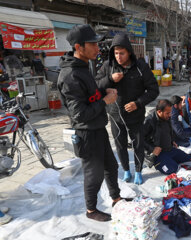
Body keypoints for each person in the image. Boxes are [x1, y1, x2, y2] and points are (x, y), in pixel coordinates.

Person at [58, 24, 124, 222]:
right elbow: (79, 113)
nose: (98, 48)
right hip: (86, 133)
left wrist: (104, 92)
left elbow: (89, 96)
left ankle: (116, 198)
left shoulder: (84, 66)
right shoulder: (70, 75)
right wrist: (105, 101)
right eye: (93, 44)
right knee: (93, 174)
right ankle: (91, 210)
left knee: (111, 166)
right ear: (78, 47)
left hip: (98, 128)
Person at [96, 32, 159, 185]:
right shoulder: (108, 66)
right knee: (120, 145)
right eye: (116, 53)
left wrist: (138, 103)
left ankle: (138, 171)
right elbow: (96, 86)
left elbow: (153, 90)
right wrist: (110, 79)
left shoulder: (140, 67)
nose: (118, 56)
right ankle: (126, 170)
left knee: (138, 144)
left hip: (135, 115)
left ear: (129, 52)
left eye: (122, 53)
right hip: (115, 115)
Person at [143, 99, 191, 174]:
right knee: (173, 169)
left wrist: (172, 141)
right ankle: (161, 163)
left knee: (189, 159)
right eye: (167, 113)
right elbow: (139, 140)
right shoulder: (149, 121)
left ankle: (169, 160)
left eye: (170, 112)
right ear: (159, 111)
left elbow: (168, 131)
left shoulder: (167, 118)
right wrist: (152, 149)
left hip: (169, 149)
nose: (170, 115)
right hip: (157, 154)